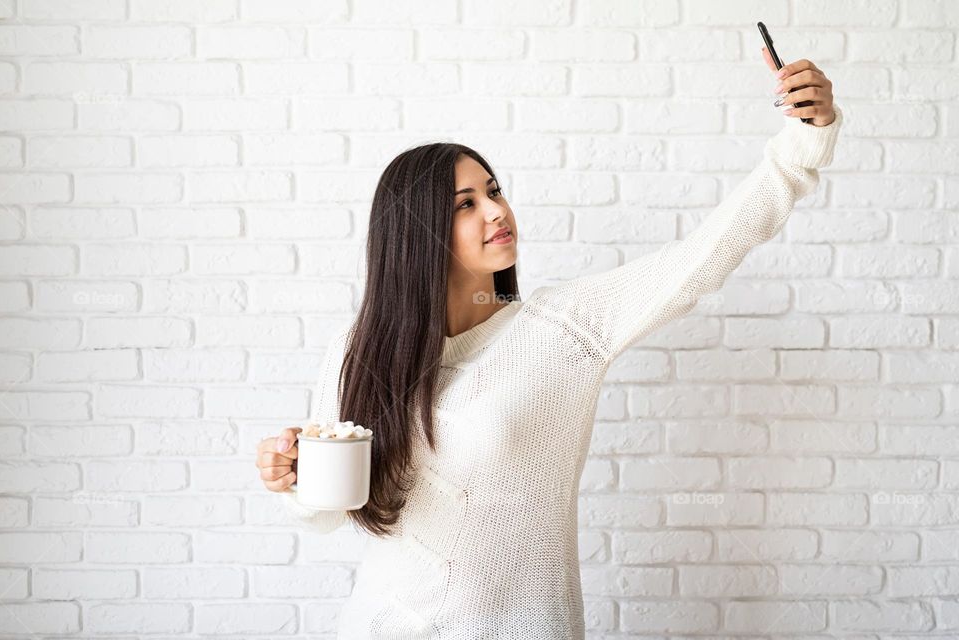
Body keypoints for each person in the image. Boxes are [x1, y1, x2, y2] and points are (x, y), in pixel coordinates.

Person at [255, 50, 843, 638]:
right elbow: (331, 511)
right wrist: (293, 481)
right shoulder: (361, 349)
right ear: (416, 235)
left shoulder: (563, 327)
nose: (497, 210)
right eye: (466, 204)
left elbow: (702, 257)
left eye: (494, 190)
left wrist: (800, 146)